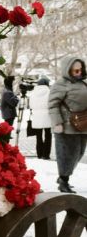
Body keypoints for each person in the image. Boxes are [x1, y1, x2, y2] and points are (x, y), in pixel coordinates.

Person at [48, 57, 87, 192]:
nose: (79, 72)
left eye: (81, 70)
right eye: (75, 70)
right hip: (66, 126)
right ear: (68, 70)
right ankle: (63, 180)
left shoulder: (83, 83)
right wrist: (57, 123)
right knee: (66, 154)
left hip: (82, 124)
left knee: (79, 153)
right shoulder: (60, 84)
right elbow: (53, 105)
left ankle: (64, 177)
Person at [29, 77, 52, 159]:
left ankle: (39, 154)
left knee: (38, 136)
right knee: (48, 135)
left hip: (36, 116)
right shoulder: (49, 92)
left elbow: (30, 105)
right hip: (47, 116)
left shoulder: (33, 93)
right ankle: (46, 155)